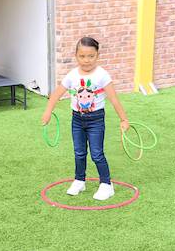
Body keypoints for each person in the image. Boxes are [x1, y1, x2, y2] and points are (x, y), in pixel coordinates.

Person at [41, 37, 130, 201]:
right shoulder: (72, 75)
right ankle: (79, 180)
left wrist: (124, 119)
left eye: (91, 56)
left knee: (97, 154)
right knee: (79, 152)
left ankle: (106, 184)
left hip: (96, 120)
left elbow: (114, 99)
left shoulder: (102, 75)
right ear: (76, 56)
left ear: (97, 56)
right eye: (82, 56)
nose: (86, 60)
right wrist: (47, 112)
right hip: (77, 120)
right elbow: (57, 94)